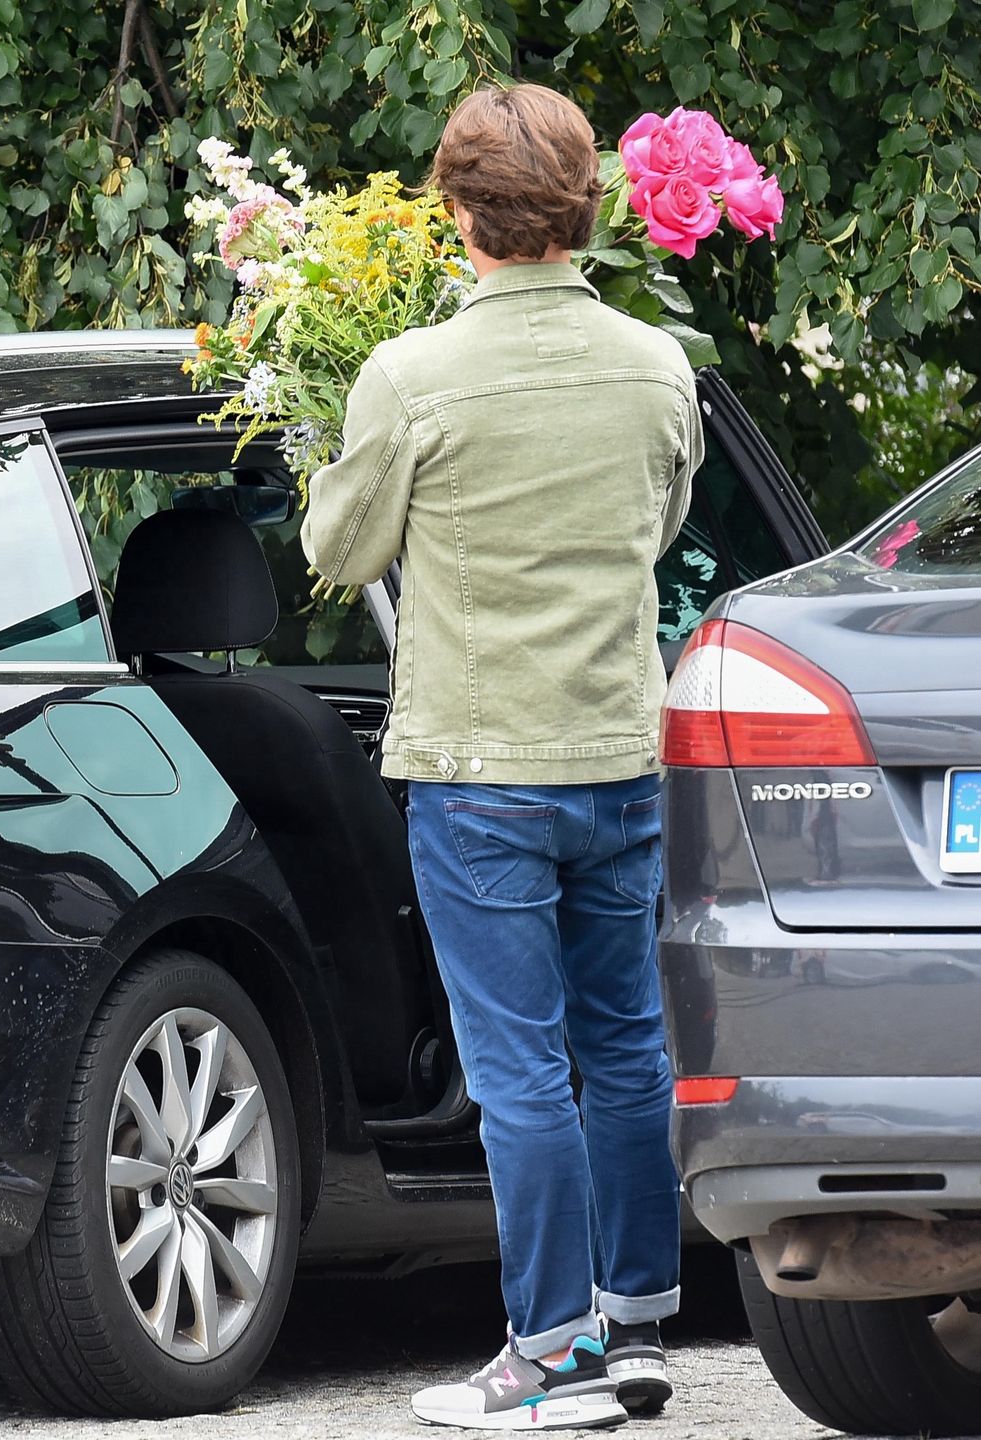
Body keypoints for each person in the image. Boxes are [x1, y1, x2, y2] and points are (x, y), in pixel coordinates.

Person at [302, 82, 701, 1432]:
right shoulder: (654, 366)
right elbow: (654, 530)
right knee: (626, 1044)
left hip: (481, 770)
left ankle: (547, 1354)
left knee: (519, 1070)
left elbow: (336, 556)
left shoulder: (410, 377)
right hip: (613, 753)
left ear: (458, 211)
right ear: (579, 202)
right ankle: (638, 1323)